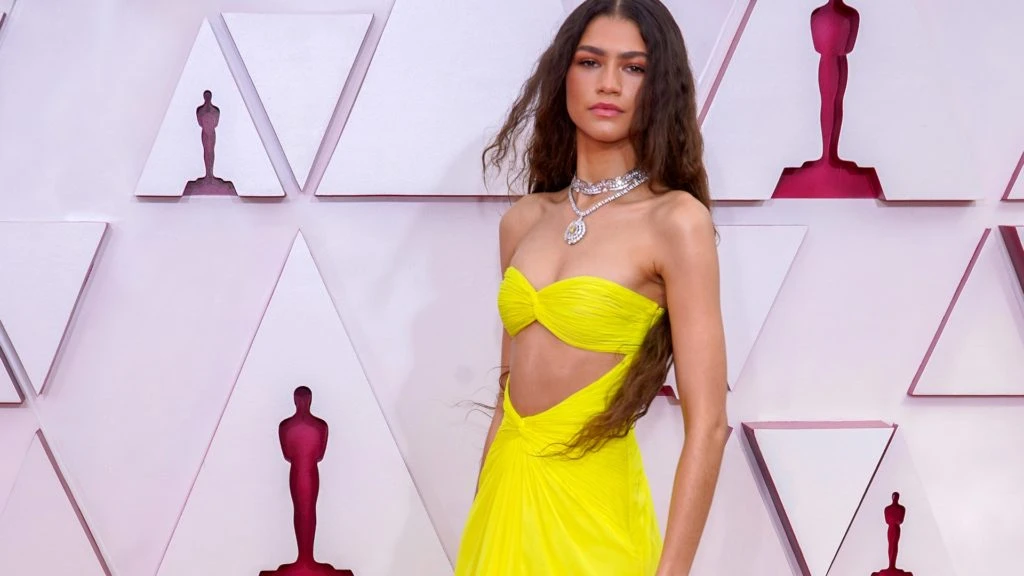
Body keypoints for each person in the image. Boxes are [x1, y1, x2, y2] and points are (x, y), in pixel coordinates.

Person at [454, 1, 729, 574]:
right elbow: (508, 398)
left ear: (660, 87)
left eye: (634, 67)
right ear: (564, 75)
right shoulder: (524, 222)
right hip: (504, 504)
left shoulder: (676, 221)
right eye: (590, 62)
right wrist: (479, 524)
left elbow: (708, 426)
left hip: (595, 518)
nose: (609, 84)